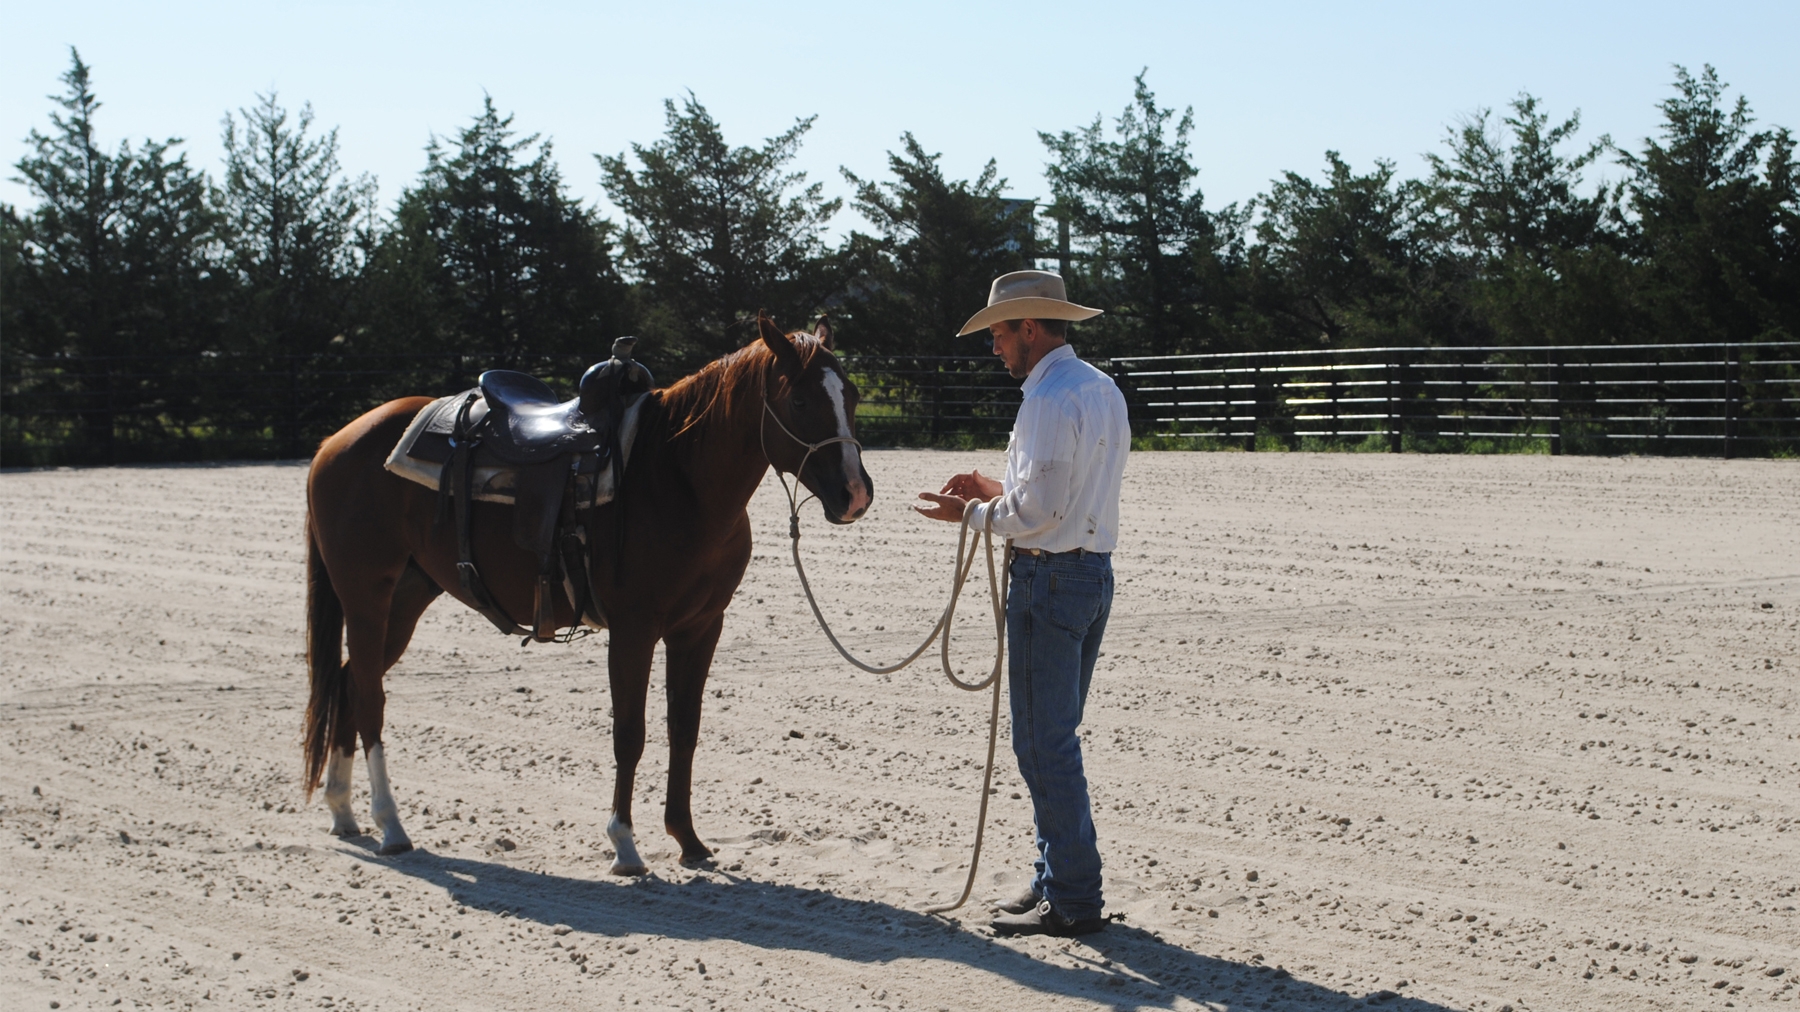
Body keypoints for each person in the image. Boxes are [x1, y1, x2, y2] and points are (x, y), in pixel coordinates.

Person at [915, 270, 1129, 937]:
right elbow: (1062, 491)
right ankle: (1055, 877)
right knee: (1051, 739)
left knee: (1043, 745)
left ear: (1029, 329)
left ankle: (1072, 894)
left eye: (1000, 334)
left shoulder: (1046, 400)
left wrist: (972, 513)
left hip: (1050, 580)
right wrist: (990, 487)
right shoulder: (1099, 388)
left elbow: (1037, 510)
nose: (996, 347)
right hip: (1091, 575)